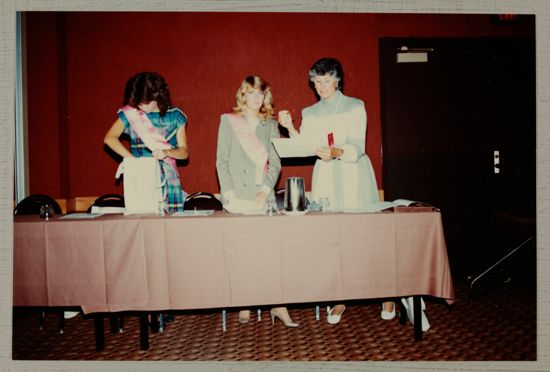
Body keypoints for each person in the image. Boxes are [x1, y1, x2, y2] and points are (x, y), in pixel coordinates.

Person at [278, 57, 395, 323]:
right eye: (317, 81)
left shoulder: (355, 107)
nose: (322, 86)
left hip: (353, 171)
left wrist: (337, 151)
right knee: (333, 237)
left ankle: (387, 293)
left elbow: (358, 144)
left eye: (327, 80)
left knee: (364, 234)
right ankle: (340, 297)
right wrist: (289, 128)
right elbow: (306, 146)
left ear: (337, 80)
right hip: (327, 174)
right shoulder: (311, 112)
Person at [216, 75, 298, 328]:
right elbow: (222, 160)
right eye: (251, 93)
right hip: (238, 197)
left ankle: (278, 305)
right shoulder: (229, 122)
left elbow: (275, 162)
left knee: (270, 253)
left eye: (260, 94)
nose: (255, 98)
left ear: (265, 97)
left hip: (263, 196)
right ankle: (245, 302)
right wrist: (228, 193)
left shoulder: (270, 125)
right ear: (243, 95)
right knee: (244, 252)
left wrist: (264, 190)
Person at [104, 71, 188, 213]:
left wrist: (167, 152)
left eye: (146, 103)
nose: (141, 107)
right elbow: (109, 138)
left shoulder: (175, 116)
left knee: (172, 229)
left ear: (158, 95)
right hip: (141, 179)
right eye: (138, 104)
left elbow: (184, 152)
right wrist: (133, 161)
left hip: (169, 179)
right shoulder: (131, 114)